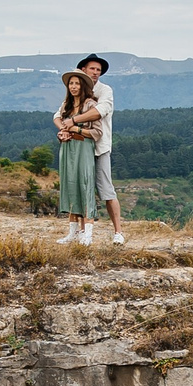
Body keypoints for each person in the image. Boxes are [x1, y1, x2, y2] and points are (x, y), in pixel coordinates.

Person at [71, 53, 124, 245]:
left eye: (98, 70)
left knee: (106, 190)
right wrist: (63, 129)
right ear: (83, 70)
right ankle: (81, 232)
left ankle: (118, 232)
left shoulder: (105, 90)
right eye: (92, 69)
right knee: (80, 189)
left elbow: (99, 112)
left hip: (99, 147)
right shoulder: (77, 89)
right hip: (79, 147)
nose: (95, 72)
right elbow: (59, 113)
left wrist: (73, 122)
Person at [52, 70, 102, 244]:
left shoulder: (90, 105)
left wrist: (75, 129)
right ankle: (73, 232)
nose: (73, 87)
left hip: (84, 147)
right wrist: (62, 133)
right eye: (71, 83)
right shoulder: (66, 105)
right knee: (70, 185)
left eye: (77, 84)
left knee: (85, 185)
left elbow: (97, 132)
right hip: (67, 147)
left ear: (83, 86)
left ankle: (87, 234)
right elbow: (59, 123)